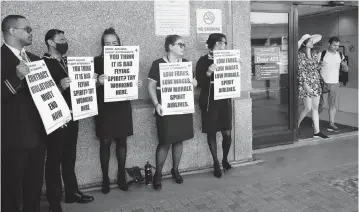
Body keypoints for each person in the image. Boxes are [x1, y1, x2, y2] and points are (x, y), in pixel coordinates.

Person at [42, 29, 94, 212]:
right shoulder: (42, 64)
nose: (65, 42)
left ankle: (72, 192)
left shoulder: (67, 61)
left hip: (73, 116)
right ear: (50, 42)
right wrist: (59, 87)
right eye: (61, 39)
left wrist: (89, 80)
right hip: (56, 120)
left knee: (70, 156)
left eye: (65, 39)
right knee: (54, 159)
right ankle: (54, 201)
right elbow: (41, 94)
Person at [1, 15, 46, 212]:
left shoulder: (35, 59)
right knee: (10, 190)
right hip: (12, 139)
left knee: (34, 187)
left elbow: (45, 94)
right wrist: (16, 77)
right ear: (12, 31)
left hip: (38, 136)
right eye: (27, 29)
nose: (31, 32)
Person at [94, 27, 142, 194]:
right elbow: (88, 87)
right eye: (108, 43)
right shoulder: (96, 61)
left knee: (122, 141)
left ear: (120, 43)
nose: (111, 46)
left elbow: (130, 80)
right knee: (105, 142)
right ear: (102, 45)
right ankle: (105, 178)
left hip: (122, 106)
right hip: (105, 108)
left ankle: (121, 175)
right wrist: (98, 82)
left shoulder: (128, 59)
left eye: (114, 42)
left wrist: (136, 84)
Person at [148, 35, 196, 190]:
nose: (183, 47)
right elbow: (150, 86)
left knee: (179, 140)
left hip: (181, 107)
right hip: (165, 108)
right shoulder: (158, 64)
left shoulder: (186, 63)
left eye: (184, 44)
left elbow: (190, 84)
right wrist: (156, 104)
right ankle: (158, 174)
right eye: (180, 44)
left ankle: (175, 170)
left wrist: (194, 83)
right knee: (164, 141)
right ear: (170, 46)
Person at [195, 33, 233, 178]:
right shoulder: (203, 60)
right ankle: (216, 162)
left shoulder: (229, 59)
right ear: (212, 44)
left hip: (224, 99)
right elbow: (199, 82)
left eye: (224, 43)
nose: (223, 46)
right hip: (210, 100)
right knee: (212, 131)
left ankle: (224, 159)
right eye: (220, 43)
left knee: (227, 132)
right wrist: (209, 71)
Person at [297, 34, 328, 139]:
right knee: (308, 108)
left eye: (311, 41)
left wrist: (320, 65)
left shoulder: (315, 54)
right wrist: (305, 84)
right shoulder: (300, 55)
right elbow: (300, 71)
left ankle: (317, 132)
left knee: (315, 108)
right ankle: (295, 127)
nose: (312, 42)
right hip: (306, 83)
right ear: (305, 43)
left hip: (315, 82)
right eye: (310, 41)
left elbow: (315, 68)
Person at [318, 37, 349, 132]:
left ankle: (331, 123)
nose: (336, 47)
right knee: (322, 104)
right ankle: (315, 121)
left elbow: (346, 70)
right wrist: (319, 66)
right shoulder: (322, 54)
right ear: (329, 44)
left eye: (337, 45)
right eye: (334, 45)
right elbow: (315, 68)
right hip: (323, 82)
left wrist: (344, 66)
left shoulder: (340, 55)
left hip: (335, 83)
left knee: (333, 105)